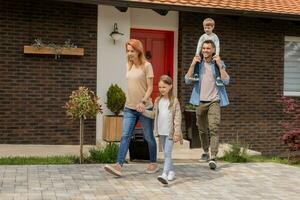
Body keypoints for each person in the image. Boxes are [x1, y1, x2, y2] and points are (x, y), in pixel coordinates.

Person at [104, 39, 158, 177]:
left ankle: (153, 162)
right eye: (127, 51)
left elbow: (151, 87)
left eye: (132, 51)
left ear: (138, 51)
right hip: (129, 108)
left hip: (144, 107)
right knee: (125, 136)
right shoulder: (128, 65)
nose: (129, 53)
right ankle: (118, 165)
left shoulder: (147, 66)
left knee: (148, 137)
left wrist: (143, 101)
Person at [185, 40, 230, 170]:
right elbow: (187, 80)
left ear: (213, 50)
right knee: (202, 128)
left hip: (214, 101)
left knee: (214, 128)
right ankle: (205, 151)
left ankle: (213, 157)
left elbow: (226, 80)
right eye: (204, 48)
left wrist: (219, 64)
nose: (205, 50)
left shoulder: (218, 64)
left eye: (208, 48)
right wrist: (193, 64)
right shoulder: (198, 64)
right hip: (200, 101)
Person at [142, 75, 183, 185]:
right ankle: (171, 171)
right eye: (160, 87)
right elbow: (154, 115)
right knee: (166, 153)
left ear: (170, 86)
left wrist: (177, 133)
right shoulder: (158, 100)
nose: (161, 89)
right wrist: (144, 111)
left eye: (164, 87)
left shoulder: (174, 101)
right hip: (161, 131)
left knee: (168, 152)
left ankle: (164, 173)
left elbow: (177, 119)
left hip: (170, 132)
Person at [195, 18, 223, 86]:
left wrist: (217, 54)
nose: (206, 29)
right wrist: (197, 53)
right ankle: (196, 74)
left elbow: (217, 46)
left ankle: (218, 77)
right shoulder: (203, 37)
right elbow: (199, 45)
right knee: (197, 61)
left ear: (212, 27)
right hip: (203, 53)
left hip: (212, 54)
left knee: (216, 64)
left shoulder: (214, 36)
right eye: (205, 28)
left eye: (208, 28)